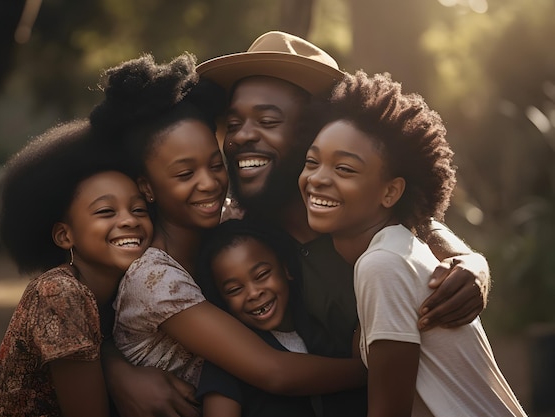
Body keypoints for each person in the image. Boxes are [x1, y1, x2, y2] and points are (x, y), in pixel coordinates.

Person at [195, 30, 492, 416]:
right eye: (233, 124)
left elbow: (420, 226)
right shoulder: (240, 233)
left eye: (268, 120)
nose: (241, 137)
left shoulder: (371, 230)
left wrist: (472, 263)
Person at [90, 52, 367, 416]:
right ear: (148, 187)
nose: (209, 183)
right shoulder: (154, 278)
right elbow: (274, 372)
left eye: (215, 165)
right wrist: (383, 367)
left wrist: (469, 264)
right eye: (184, 174)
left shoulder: (233, 225)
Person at [298, 70, 527, 416]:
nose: (317, 179)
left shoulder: (383, 263)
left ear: (390, 191)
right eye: (312, 162)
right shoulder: (398, 249)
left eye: (344, 169)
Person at [0, 119, 154, 417]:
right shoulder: (60, 292)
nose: (129, 220)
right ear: (65, 236)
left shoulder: (119, 293)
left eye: (139, 209)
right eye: (105, 211)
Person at [196, 218, 331, 417]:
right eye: (234, 289)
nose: (253, 293)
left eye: (262, 275)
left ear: (285, 269)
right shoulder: (228, 360)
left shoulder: (323, 324)